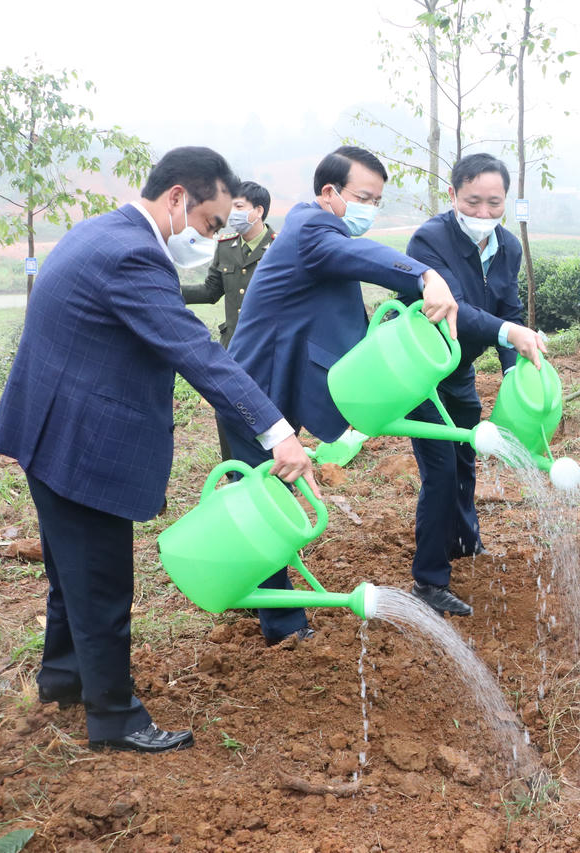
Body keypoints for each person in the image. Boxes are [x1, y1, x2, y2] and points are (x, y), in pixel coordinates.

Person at [0, 147, 317, 753]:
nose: (213, 235)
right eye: (211, 223)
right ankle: (115, 718)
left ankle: (63, 680)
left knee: (71, 572)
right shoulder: (134, 255)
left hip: (47, 427)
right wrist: (277, 430)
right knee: (103, 582)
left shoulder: (99, 232)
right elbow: (198, 353)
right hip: (82, 442)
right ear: (176, 198)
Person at [225, 146, 458, 641]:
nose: (369, 209)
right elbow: (364, 258)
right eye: (362, 197)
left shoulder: (319, 232)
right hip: (253, 388)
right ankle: (282, 626)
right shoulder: (311, 228)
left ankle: (250, 593)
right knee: (267, 499)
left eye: (377, 200)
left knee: (267, 494)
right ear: (329, 193)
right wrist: (424, 274)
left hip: (280, 379)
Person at [403, 153, 546, 617]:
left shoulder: (507, 246)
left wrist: (511, 371)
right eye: (473, 202)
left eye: (494, 203)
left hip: (458, 372)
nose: (484, 214)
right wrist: (510, 334)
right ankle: (429, 580)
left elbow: (509, 308)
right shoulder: (430, 240)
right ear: (453, 196)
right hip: (420, 374)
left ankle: (465, 541)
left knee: (465, 461)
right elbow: (456, 307)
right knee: (440, 472)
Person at [183, 180, 275, 462]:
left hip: (270, 349)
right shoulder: (225, 246)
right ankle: (235, 474)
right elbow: (211, 291)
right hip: (233, 346)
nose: (230, 213)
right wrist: (167, 289)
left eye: (238, 206)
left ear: (257, 211)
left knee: (269, 413)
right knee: (227, 411)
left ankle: (271, 479)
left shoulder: (279, 248)